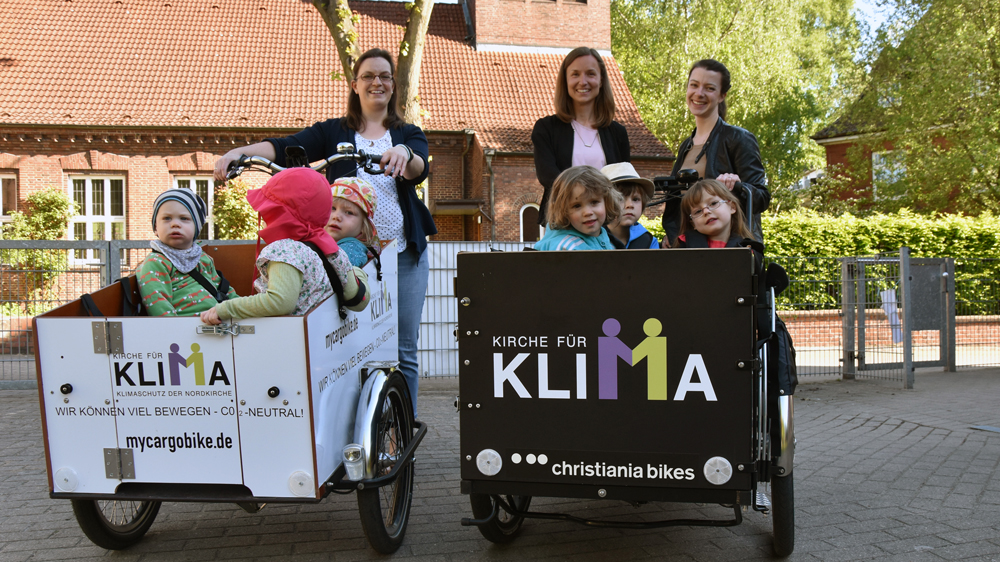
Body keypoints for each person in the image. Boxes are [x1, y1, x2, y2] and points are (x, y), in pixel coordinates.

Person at [213, 47, 433, 415]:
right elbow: (284, 148)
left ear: (394, 85)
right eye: (368, 76)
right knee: (351, 341)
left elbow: (418, 165)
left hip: (403, 254)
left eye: (384, 76)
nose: (376, 82)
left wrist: (404, 156)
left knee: (403, 347)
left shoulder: (407, 134)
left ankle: (404, 429)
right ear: (355, 84)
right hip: (347, 250)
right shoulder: (334, 131)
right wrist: (240, 151)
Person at [200, 168, 370, 325]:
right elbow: (358, 300)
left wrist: (226, 308)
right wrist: (357, 273)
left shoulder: (285, 251)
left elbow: (280, 302)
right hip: (324, 339)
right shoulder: (332, 249)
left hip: (290, 343)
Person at [663, 59, 769, 244]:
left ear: (722, 96)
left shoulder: (739, 138)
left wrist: (739, 187)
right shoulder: (686, 146)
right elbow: (678, 205)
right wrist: (674, 238)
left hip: (729, 249)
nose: (699, 93)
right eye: (694, 85)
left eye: (709, 88)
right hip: (692, 249)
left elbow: (761, 197)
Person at [532, 47, 631, 226]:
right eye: (575, 74)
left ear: (601, 81)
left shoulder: (618, 133)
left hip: (607, 227)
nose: (583, 81)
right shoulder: (546, 129)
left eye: (590, 74)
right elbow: (548, 176)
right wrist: (585, 201)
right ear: (566, 81)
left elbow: (623, 182)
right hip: (562, 225)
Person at [138, 188, 239, 316]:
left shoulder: (202, 257)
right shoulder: (156, 263)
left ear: (196, 227)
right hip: (187, 328)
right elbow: (159, 307)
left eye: (184, 218)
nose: (175, 224)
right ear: (156, 227)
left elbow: (223, 289)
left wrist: (241, 307)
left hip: (216, 319)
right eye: (167, 218)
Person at [534, 166, 623, 251]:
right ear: (563, 211)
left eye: (594, 202)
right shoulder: (566, 247)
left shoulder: (607, 240)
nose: (588, 212)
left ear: (607, 202)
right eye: (577, 206)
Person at [672, 179, 753, 249]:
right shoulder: (686, 246)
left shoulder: (747, 247)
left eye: (713, 203)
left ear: (732, 207)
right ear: (693, 224)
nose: (706, 212)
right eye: (698, 211)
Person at [600, 162, 659, 249]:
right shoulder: (592, 239)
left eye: (635, 199)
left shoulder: (649, 242)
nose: (630, 205)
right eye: (620, 199)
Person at [326, 177, 379, 268]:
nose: (336, 217)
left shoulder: (352, 249)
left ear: (363, 226)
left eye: (349, 212)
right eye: (333, 208)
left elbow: (333, 272)